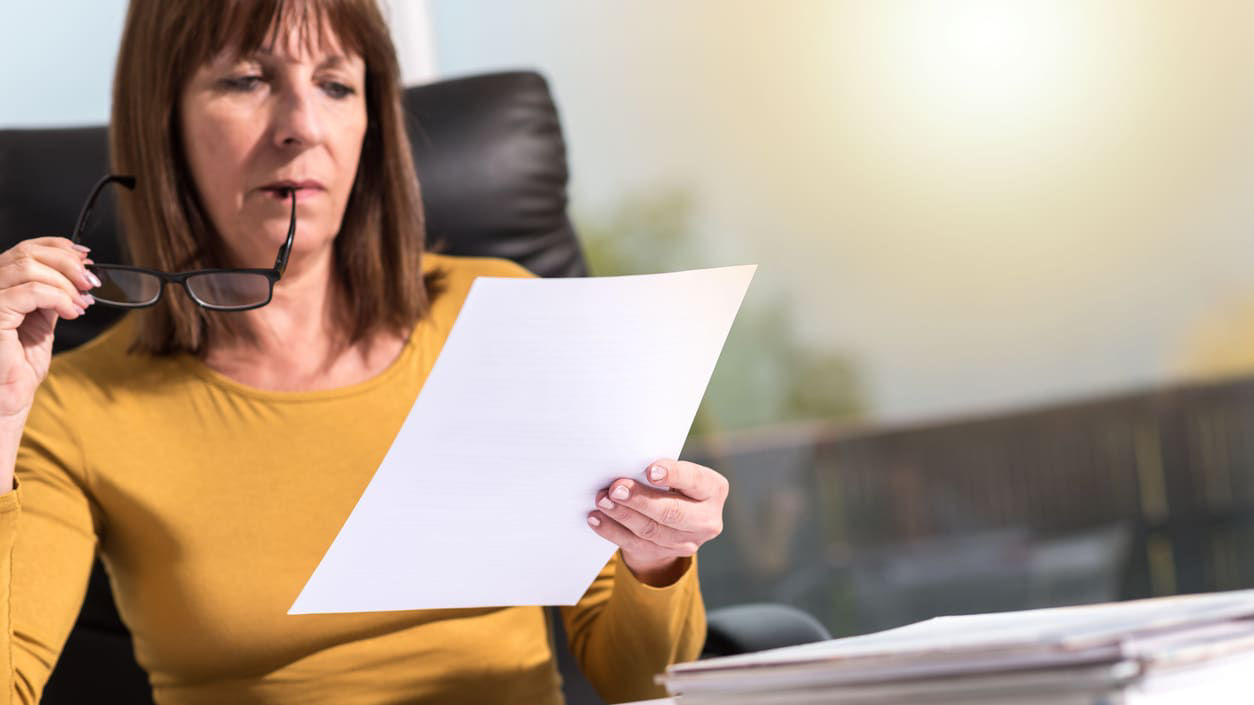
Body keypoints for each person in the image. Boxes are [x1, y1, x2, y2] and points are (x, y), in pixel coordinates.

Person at [0, 1, 728, 703]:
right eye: (247, 80)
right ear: (165, 121)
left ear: (371, 126)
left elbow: (643, 683)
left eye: (336, 84)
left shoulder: (499, 314)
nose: (302, 126)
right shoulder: (71, 403)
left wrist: (656, 554)